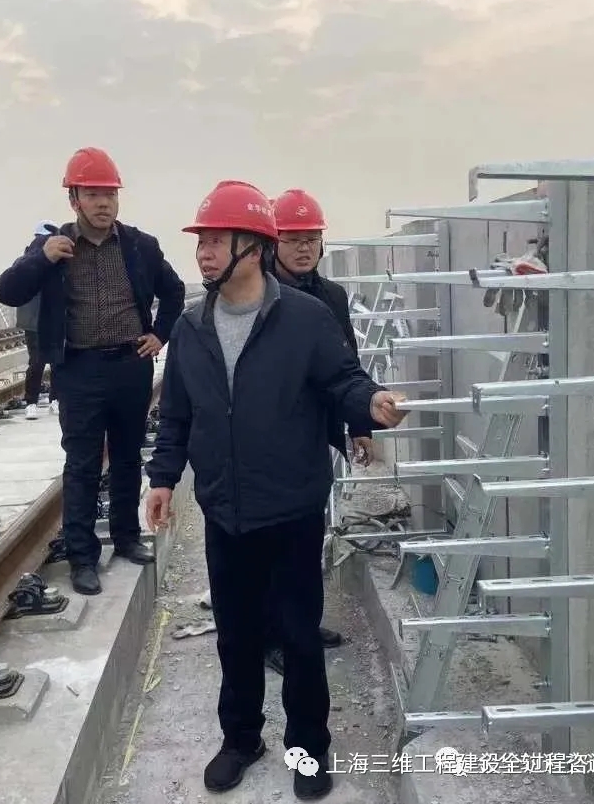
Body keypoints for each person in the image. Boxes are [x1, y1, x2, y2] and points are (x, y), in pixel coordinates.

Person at [143, 180, 407, 800]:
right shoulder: (191, 325)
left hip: (291, 508)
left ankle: (308, 749)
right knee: (236, 636)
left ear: (254, 247)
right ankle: (240, 739)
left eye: (216, 240)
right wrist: (162, 479)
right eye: (201, 242)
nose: (204, 252)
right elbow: (176, 415)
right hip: (225, 511)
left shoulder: (305, 318)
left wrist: (370, 404)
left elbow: (343, 380)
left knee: (298, 635)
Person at [0, 147, 186, 596]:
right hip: (78, 369)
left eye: (110, 194)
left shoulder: (139, 245)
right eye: (93, 194)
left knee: (127, 455)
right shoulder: (53, 246)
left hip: (130, 365)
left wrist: (160, 334)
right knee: (81, 463)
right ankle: (82, 556)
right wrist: (41, 259)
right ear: (74, 200)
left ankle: (126, 537)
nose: (103, 203)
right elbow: (8, 292)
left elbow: (174, 291)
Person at [259, 188, 374, 674]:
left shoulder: (332, 297)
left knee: (308, 535)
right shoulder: (258, 296)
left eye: (311, 239)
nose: (303, 248)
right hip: (270, 435)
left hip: (315, 431)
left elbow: (348, 365)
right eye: (293, 239)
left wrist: (360, 425)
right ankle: (271, 636)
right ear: (273, 243)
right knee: (273, 542)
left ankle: (302, 626)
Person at [17, 220, 59, 419]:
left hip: (54, 319)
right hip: (34, 321)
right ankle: (31, 402)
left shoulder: (58, 260)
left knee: (57, 361)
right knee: (37, 361)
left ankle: (55, 400)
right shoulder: (26, 262)